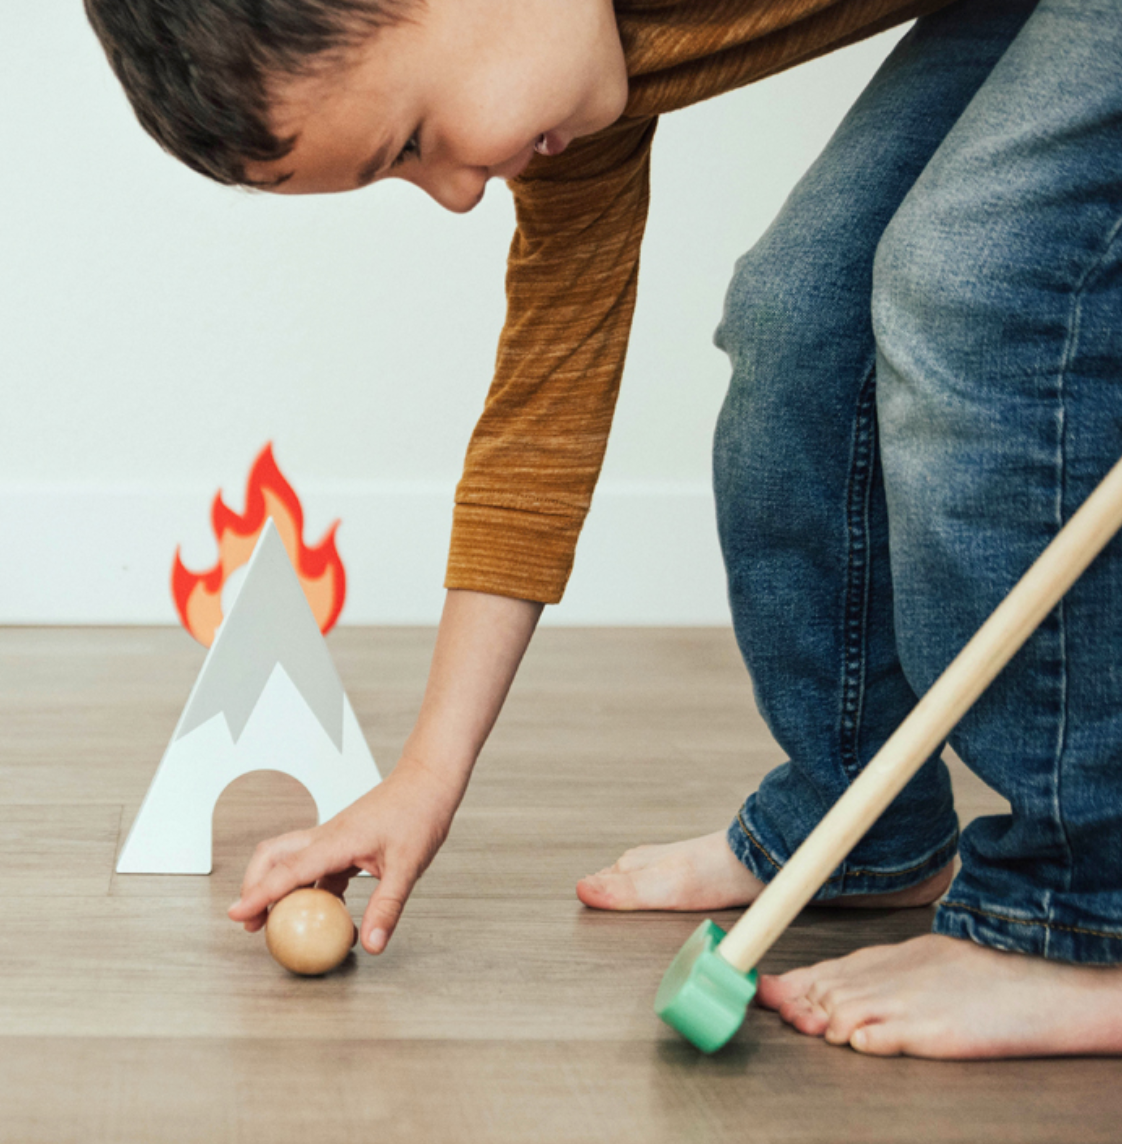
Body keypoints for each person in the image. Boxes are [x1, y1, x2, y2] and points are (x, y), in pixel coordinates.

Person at [85, 0, 1122, 1058]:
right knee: (800, 315)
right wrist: (426, 774)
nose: (453, 194)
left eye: (410, 142)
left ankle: (1089, 921)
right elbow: (544, 410)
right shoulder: (569, 78)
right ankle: (861, 824)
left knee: (978, 283)